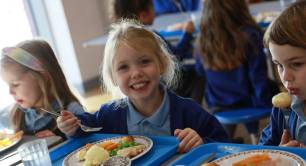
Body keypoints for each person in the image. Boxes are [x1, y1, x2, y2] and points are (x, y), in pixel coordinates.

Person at [57, 20, 229, 153]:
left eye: (144, 62)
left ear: (161, 64)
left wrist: (201, 142)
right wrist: (72, 126)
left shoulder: (188, 111)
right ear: (113, 77)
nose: (136, 73)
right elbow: (87, 128)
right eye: (124, 67)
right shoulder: (110, 114)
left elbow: (224, 145)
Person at [195, 0, 278, 142]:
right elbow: (258, 77)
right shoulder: (250, 35)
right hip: (250, 101)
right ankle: (263, 137)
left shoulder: (202, 39)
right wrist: (265, 102)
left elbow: (200, 71)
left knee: (223, 134)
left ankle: (229, 141)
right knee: (281, 98)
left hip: (218, 104)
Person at [110, 0, 205, 104]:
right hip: (167, 84)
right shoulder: (150, 36)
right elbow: (175, 57)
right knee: (198, 75)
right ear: (143, 15)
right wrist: (187, 34)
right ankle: (193, 111)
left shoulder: (119, 40)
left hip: (156, 86)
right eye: (152, 7)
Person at [0, 39, 85, 139]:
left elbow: (91, 141)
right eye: (8, 85)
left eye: (15, 84)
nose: (10, 92)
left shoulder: (71, 112)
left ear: (42, 77)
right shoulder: (17, 113)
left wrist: (62, 138)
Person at [259, 1, 306, 148]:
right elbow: (262, 150)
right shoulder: (284, 109)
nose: (285, 77)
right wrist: (279, 154)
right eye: (279, 65)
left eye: (297, 64)